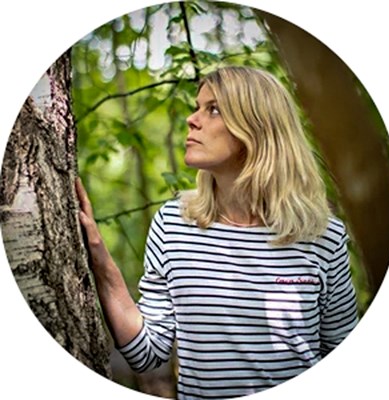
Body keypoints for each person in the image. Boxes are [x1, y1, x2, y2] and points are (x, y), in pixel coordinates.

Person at [76, 65, 358, 400]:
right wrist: (99, 257)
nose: (191, 119)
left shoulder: (321, 236)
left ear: (256, 128)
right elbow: (146, 352)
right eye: (197, 107)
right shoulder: (173, 224)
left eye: (213, 110)